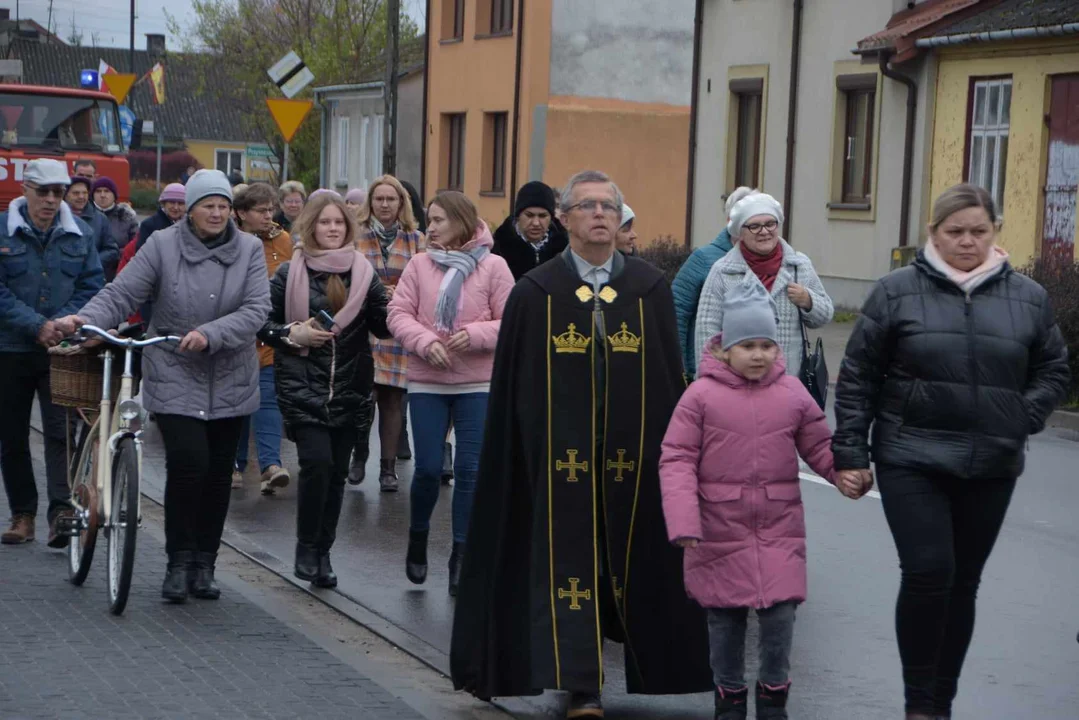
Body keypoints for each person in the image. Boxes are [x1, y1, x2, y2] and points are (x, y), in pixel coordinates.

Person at [450, 170, 712, 718]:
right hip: (558, 459)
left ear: (620, 221)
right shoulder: (536, 292)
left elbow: (667, 381)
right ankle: (580, 684)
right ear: (564, 218)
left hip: (630, 459)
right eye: (587, 206)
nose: (599, 215)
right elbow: (514, 392)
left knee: (631, 563)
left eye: (609, 207)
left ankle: (659, 666)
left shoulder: (648, 288)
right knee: (570, 568)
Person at [832, 183, 1070, 720]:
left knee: (963, 582)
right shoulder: (895, 291)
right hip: (910, 454)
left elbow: (1053, 368)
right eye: (955, 231)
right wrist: (851, 452)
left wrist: (1021, 416)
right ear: (933, 233)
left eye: (979, 231)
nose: (968, 241)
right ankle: (919, 704)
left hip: (991, 462)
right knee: (928, 571)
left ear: (994, 232)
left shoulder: (1027, 297)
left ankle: (941, 703)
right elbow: (858, 376)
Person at [56, 169, 271, 604]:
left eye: (223, 205)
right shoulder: (162, 245)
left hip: (231, 373)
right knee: (190, 462)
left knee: (216, 475)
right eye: (207, 205)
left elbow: (256, 309)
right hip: (174, 364)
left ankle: (204, 565)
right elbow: (123, 292)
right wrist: (86, 319)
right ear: (189, 209)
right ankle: (177, 561)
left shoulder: (249, 248)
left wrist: (212, 333)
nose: (216, 212)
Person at [660, 279, 869, 720]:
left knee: (780, 618)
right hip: (718, 529)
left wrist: (843, 473)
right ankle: (729, 699)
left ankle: (774, 701)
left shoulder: (792, 393)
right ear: (724, 349)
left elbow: (817, 445)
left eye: (767, 345)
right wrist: (683, 520)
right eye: (748, 345)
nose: (758, 354)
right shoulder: (699, 396)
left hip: (779, 527)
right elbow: (676, 459)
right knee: (725, 623)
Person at [257, 192, 390, 588]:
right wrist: (289, 332)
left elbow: (383, 327)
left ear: (348, 228)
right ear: (311, 225)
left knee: (335, 476)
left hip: (350, 389)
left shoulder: (364, 274)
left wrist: (401, 305)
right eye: (325, 222)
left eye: (339, 223)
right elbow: (261, 323)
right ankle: (305, 546)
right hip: (302, 387)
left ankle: (323, 553)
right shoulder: (288, 273)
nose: (332, 229)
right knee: (316, 465)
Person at [388, 191, 513, 594]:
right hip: (428, 381)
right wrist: (427, 342)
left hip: (477, 383)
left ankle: (462, 555)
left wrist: (474, 335)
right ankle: (418, 536)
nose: (431, 227)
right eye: (429, 219)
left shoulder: (494, 266)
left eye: (439, 220)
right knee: (426, 468)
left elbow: (511, 319)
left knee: (470, 472)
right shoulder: (419, 265)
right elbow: (398, 314)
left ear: (461, 221)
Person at [0, 159, 104, 548]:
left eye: (57, 193)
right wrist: (35, 324)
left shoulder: (80, 235)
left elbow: (93, 284)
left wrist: (63, 322)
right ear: (25, 189)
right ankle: (22, 513)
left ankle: (60, 511)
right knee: (11, 435)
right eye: (42, 191)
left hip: (61, 351)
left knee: (62, 432)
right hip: (9, 347)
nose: (49, 200)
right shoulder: (3, 230)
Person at [695, 193, 833, 379]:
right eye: (754, 226)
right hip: (736, 382)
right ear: (740, 232)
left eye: (770, 224)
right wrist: (712, 379)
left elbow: (824, 316)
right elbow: (706, 331)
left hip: (788, 382)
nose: (764, 231)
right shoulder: (723, 272)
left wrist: (808, 300)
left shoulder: (798, 265)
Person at [352, 175, 425, 491]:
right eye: (379, 199)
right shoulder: (356, 237)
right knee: (364, 398)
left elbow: (424, 281)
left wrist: (400, 294)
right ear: (370, 203)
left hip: (398, 327)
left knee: (393, 399)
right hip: (362, 327)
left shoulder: (416, 240)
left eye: (390, 199)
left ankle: (388, 468)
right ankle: (359, 456)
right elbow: (346, 278)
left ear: (401, 203)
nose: (384, 204)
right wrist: (375, 292)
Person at [230, 183, 294, 495]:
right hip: (238, 332)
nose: (268, 216)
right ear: (241, 213)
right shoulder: (229, 241)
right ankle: (235, 464)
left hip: (270, 331)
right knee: (240, 403)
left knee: (267, 398)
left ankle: (270, 465)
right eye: (261, 211)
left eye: (271, 209)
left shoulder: (283, 240)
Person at [671, 187, 755, 379]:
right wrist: (681, 370)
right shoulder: (704, 259)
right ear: (730, 221)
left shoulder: (774, 262)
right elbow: (676, 315)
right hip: (712, 371)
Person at [117, 183, 186, 325]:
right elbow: (143, 255)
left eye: (180, 203)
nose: (176, 207)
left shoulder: (189, 225)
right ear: (163, 203)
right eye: (171, 202)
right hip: (156, 284)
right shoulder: (150, 225)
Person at [491, 180, 569, 281]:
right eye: (529, 215)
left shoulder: (566, 249)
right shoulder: (497, 248)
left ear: (551, 217)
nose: (536, 223)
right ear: (518, 216)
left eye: (542, 216)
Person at [64, 175, 119, 281]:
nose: (81, 197)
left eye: (84, 193)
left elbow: (112, 250)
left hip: (90, 278)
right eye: (76, 193)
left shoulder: (100, 219)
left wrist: (91, 262)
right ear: (65, 195)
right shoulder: (57, 218)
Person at [92, 177, 138, 251]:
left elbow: (135, 244)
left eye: (107, 191)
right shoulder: (86, 215)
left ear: (114, 195)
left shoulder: (126, 217)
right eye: (98, 191)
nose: (102, 195)